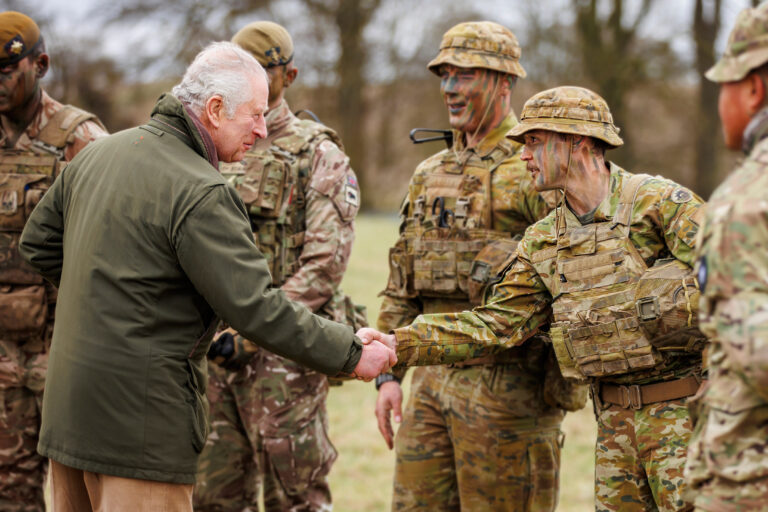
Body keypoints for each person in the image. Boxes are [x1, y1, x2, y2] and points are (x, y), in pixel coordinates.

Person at [17, 41, 395, 512]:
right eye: (254, 114)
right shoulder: (202, 190)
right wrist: (350, 352)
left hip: (69, 420)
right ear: (215, 109)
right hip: (141, 435)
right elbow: (255, 307)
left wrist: (110, 292)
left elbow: (38, 244)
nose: (262, 127)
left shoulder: (97, 154)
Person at [362, 85, 707, 512]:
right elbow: (494, 324)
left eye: (534, 142)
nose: (523, 155)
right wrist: (401, 344)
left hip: (687, 418)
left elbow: (740, 285)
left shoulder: (659, 205)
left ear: (577, 141)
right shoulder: (544, 240)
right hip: (615, 430)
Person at [374, 21, 580, 512]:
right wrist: (388, 375)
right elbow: (404, 277)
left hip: (508, 390)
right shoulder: (430, 172)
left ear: (503, 82)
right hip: (427, 384)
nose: (449, 88)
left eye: (465, 75)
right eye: (444, 74)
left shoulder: (534, 170)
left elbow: (573, 280)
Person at [194, 22, 362, 511]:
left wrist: (252, 331)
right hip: (212, 358)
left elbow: (324, 265)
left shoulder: (318, 152)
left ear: (288, 75)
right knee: (213, 497)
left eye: (262, 72)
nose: (249, 82)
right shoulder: (207, 148)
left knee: (296, 499)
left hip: (284, 360)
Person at [0, 11, 107, 511]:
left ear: (39, 64)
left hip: (65, 352)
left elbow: (115, 241)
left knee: (83, 492)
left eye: (5, 71)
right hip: (3, 356)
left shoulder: (78, 139)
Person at [684, 4, 768, 511]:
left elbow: (758, 354)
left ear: (754, 88)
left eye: (724, 84)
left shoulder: (745, 201)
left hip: (749, 481)